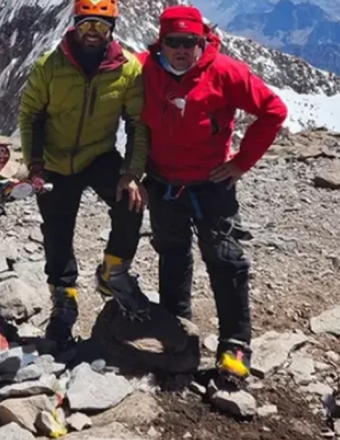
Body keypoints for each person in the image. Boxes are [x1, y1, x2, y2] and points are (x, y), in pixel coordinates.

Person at [138, 5, 288, 379]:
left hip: (211, 183)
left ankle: (235, 344)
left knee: (225, 260)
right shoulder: (143, 68)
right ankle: (177, 334)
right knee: (172, 256)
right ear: (162, 42)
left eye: (191, 42)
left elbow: (273, 110)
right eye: (174, 42)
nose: (183, 49)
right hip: (163, 182)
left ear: (202, 41)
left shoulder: (225, 72)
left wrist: (241, 162)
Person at [18, 0, 152, 348]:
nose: (93, 34)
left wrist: (133, 172)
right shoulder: (50, 65)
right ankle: (64, 298)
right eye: (87, 25)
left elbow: (138, 122)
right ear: (74, 25)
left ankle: (113, 270)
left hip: (98, 155)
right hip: (54, 160)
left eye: (101, 27)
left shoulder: (128, 70)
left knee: (131, 202)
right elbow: (31, 113)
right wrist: (34, 162)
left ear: (113, 29)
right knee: (58, 230)